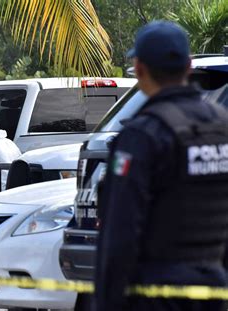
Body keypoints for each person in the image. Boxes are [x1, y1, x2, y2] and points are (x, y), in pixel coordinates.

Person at [95, 21, 228, 311]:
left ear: (139, 68)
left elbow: (120, 233)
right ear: (189, 64)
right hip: (213, 290)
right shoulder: (222, 125)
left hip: (155, 294)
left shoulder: (143, 135)